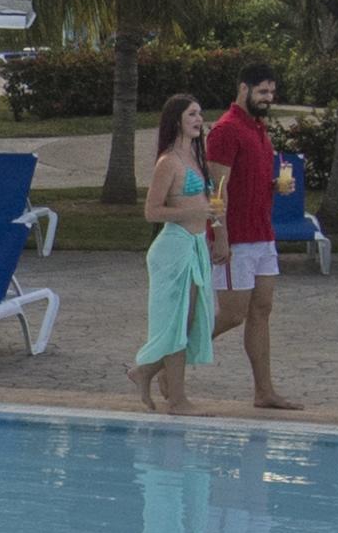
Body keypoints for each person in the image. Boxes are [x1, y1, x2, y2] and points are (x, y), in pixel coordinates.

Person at [202, 86, 300, 413]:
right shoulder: (226, 131)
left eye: (272, 92)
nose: (268, 97)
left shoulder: (258, 129)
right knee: (232, 314)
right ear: (244, 88)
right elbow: (216, 190)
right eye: (262, 91)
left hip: (263, 235)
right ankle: (160, 365)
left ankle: (264, 391)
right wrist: (221, 234)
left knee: (261, 310)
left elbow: (248, 181)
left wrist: (274, 187)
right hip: (238, 237)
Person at [125, 109, 220, 417]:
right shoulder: (168, 162)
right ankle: (177, 400)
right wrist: (191, 214)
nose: (198, 119)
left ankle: (145, 371)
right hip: (173, 247)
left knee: (190, 322)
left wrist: (213, 222)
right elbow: (152, 211)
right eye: (191, 114)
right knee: (177, 322)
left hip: (194, 246)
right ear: (176, 120)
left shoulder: (194, 157)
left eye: (200, 114)